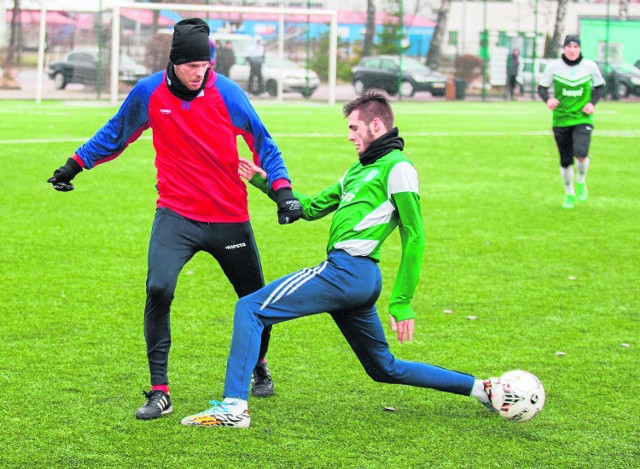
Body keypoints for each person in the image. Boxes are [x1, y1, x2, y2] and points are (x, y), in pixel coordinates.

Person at [179, 89, 499, 428]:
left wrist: (402, 301)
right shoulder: (358, 171)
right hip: (356, 280)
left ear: (376, 125)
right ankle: (481, 389)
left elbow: (414, 236)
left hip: (347, 272)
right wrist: (263, 181)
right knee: (384, 368)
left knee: (249, 308)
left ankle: (233, 408)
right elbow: (313, 207)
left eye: (354, 128)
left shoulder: (399, 168)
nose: (350, 137)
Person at [46, 18, 303, 421]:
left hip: (228, 216)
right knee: (159, 288)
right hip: (176, 214)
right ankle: (160, 391)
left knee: (254, 300)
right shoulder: (148, 93)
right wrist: (74, 165)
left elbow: (263, 143)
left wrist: (283, 192)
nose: (201, 72)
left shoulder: (228, 93)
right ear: (174, 63)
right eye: (192, 65)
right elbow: (116, 133)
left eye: (206, 64)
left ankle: (259, 364)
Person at [538, 34, 605, 209]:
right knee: (566, 160)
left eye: (576, 47)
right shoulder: (554, 67)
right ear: (564, 48)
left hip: (582, 117)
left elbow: (599, 87)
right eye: (569, 46)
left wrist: (591, 103)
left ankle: (581, 180)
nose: (572, 50)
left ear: (580, 49)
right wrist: (548, 100)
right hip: (561, 120)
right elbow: (542, 87)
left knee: (581, 153)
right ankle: (569, 192)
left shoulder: (589, 66)